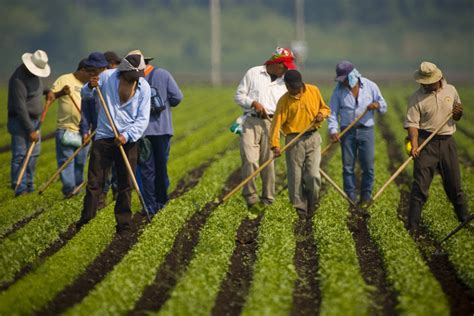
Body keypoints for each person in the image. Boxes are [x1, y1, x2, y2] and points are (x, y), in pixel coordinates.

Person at [77, 50, 151, 233]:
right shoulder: (106, 77)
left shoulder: (144, 87)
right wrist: (90, 86)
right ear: (123, 71)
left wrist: (127, 136)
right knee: (95, 182)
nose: (134, 79)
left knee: (126, 184)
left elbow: (143, 119)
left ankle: (124, 225)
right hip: (104, 138)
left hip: (128, 140)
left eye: (137, 76)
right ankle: (86, 221)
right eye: (131, 76)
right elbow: (85, 95)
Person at [404, 61, 470, 232]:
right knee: (420, 187)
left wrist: (458, 113)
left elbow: (457, 115)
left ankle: (465, 220)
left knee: (454, 186)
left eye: (428, 82)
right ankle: (412, 227)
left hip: (447, 142)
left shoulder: (451, 90)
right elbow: (412, 124)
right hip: (426, 143)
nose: (424, 85)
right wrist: (415, 145)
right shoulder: (416, 97)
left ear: (437, 79)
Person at [234, 47, 296, 212]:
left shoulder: (285, 82)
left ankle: (268, 199)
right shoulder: (253, 73)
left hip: (272, 123)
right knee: (250, 159)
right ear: (276, 63)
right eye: (284, 66)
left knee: (268, 162)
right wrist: (253, 103)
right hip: (251, 122)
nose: (286, 69)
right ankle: (251, 199)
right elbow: (239, 95)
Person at [270, 70, 330, 216]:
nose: (295, 90)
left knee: (313, 175)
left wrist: (321, 114)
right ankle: (300, 211)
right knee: (295, 178)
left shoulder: (313, 91)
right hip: (294, 141)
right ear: (286, 86)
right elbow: (276, 125)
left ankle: (312, 203)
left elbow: (325, 108)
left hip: (313, 137)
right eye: (292, 87)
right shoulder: (284, 101)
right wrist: (275, 146)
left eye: (297, 87)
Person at [328, 61, 387, 206]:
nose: (345, 82)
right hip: (347, 132)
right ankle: (351, 197)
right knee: (348, 166)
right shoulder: (338, 91)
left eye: (346, 79)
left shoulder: (370, 86)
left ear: (353, 75)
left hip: (366, 129)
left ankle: (366, 196)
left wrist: (377, 105)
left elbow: (383, 106)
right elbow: (333, 113)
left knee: (368, 166)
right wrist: (333, 130)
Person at [138, 53, 183, 214]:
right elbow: (178, 97)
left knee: (146, 169)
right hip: (163, 129)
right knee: (161, 167)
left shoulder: (133, 79)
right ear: (149, 62)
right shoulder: (163, 74)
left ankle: (149, 205)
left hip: (142, 132)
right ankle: (161, 202)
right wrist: (165, 103)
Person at [7, 49, 53, 196]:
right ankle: (19, 187)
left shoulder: (34, 76)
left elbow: (38, 89)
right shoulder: (18, 80)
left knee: (33, 155)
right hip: (20, 122)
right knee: (21, 155)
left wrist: (48, 91)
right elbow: (20, 108)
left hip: (35, 121)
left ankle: (29, 185)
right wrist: (30, 130)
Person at [50, 58, 92, 198]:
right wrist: (62, 92)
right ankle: (69, 191)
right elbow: (50, 97)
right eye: (90, 72)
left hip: (85, 132)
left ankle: (77, 190)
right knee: (66, 161)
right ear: (82, 70)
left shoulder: (89, 85)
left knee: (80, 163)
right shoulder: (64, 79)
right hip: (66, 129)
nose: (92, 75)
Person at [78, 52, 113, 207]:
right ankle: (100, 197)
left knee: (116, 169)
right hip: (98, 133)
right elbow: (84, 108)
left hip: (114, 130)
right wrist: (85, 130)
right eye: (90, 69)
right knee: (99, 168)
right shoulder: (90, 86)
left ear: (102, 67)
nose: (92, 72)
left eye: (94, 69)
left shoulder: (112, 80)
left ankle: (115, 196)